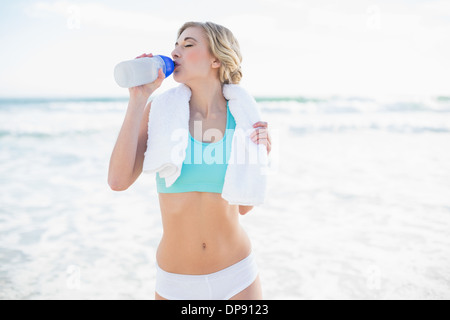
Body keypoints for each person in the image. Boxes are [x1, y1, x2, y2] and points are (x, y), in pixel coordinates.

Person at [108, 21, 272, 300]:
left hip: (237, 274)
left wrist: (260, 155)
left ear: (216, 59)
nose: (175, 51)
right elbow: (118, 181)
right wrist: (138, 98)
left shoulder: (243, 118)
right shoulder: (160, 111)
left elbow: (244, 206)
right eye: (175, 44)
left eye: (188, 44)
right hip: (176, 282)